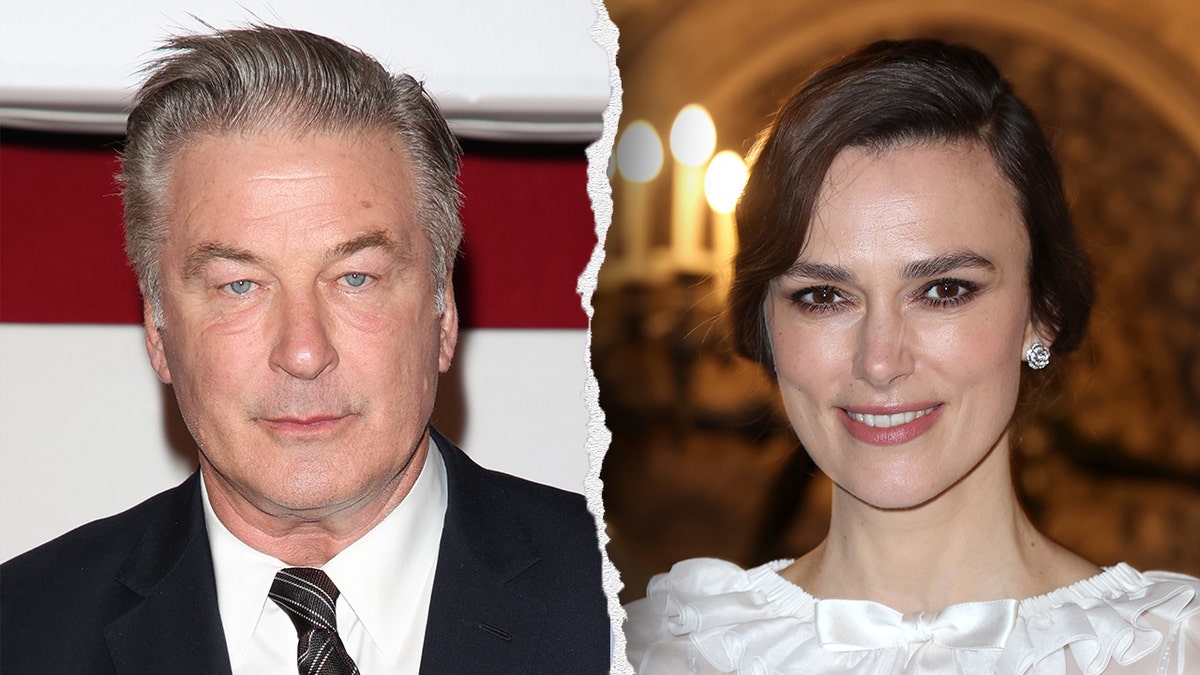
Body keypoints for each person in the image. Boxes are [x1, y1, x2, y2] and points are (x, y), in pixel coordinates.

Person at [0, 25, 609, 674]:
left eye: (355, 279)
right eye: (239, 285)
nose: (302, 351)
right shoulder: (22, 635)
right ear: (157, 330)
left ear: (443, 309)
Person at [623, 39, 1199, 673]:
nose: (879, 360)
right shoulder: (655, 655)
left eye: (943, 291)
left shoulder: (1174, 653)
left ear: (1044, 311)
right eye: (824, 296)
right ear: (764, 326)